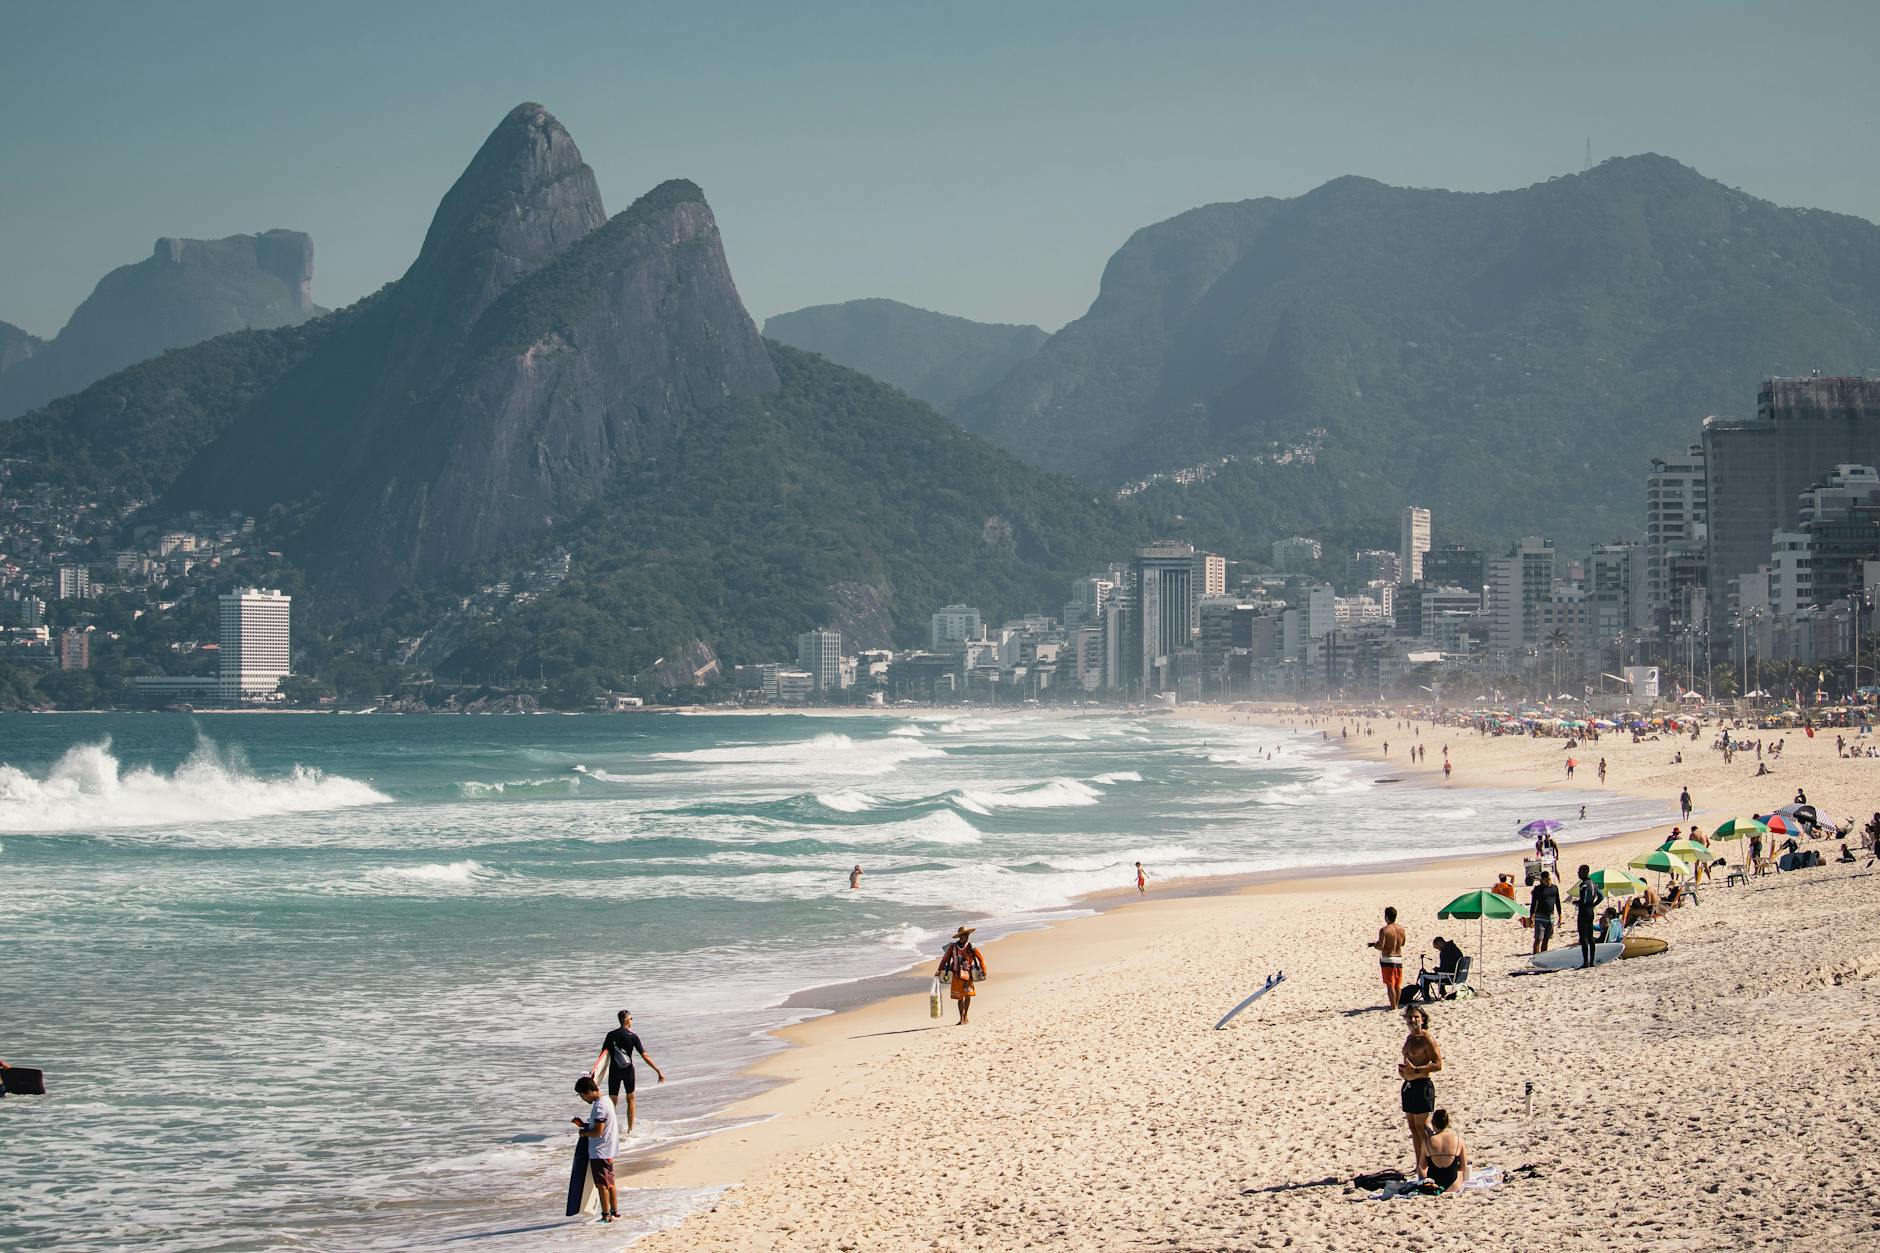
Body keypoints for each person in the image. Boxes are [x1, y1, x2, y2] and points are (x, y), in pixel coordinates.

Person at [592, 1010, 665, 1134]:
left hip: (614, 1071)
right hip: (628, 1071)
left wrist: (595, 1073)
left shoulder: (610, 1035)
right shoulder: (632, 1036)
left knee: (612, 1101)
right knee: (630, 1099)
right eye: (631, 1018)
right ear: (627, 1020)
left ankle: (606, 1129)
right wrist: (658, 1070)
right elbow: (645, 1056)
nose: (632, 1021)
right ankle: (630, 1130)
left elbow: (602, 1057)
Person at [1398, 1005, 1443, 1172]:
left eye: (1416, 1017)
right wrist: (1405, 1072)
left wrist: (1417, 1071)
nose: (1413, 1020)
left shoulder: (1427, 1039)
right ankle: (1420, 1163)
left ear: (1423, 1019)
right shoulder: (1409, 1038)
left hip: (1422, 1085)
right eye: (1410, 1017)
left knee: (1421, 1127)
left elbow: (1438, 1065)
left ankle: (1432, 1161)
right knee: (1412, 1126)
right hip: (1409, 1085)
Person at [571, 1074, 620, 1222]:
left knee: (601, 1185)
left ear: (588, 1092)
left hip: (600, 1151)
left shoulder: (599, 1106)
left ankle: (606, 1216)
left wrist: (584, 1132)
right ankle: (614, 1211)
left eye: (582, 1096)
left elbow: (598, 1132)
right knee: (610, 1183)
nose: (583, 1099)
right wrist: (585, 1125)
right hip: (608, 1148)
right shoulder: (607, 1101)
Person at [936, 926, 987, 1025]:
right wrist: (939, 970)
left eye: (967, 935)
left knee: (968, 995)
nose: (967, 937)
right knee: (959, 997)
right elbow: (945, 959)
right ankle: (961, 1017)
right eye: (964, 935)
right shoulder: (952, 947)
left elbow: (981, 958)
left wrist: (984, 969)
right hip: (956, 974)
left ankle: (966, 1015)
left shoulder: (971, 946)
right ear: (960, 936)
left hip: (968, 975)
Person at [1421, 1108, 1470, 1194]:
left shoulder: (1427, 1141)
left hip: (1434, 1183)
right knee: (1461, 1173)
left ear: (1433, 1123)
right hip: (1453, 1185)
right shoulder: (1458, 1139)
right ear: (1447, 1123)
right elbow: (1463, 1167)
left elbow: (1422, 1166)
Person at [1369, 906, 1408, 1009]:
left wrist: (1374, 945)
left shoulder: (1384, 930)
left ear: (1386, 917)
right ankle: (1397, 1004)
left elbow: (1381, 946)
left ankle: (1393, 1006)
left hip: (1388, 958)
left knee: (1390, 985)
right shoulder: (1401, 929)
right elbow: (1403, 943)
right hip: (1399, 958)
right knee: (1397, 985)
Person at [1571, 864, 1605, 969]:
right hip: (1590, 911)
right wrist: (1593, 905)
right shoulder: (1594, 884)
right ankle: (1592, 961)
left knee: (1583, 937)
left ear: (1584, 872)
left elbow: (1584, 900)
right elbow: (1601, 896)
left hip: (1584, 912)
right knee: (1590, 936)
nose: (1578, 873)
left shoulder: (1584, 885)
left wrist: (1575, 902)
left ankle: (1586, 962)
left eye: (1579, 871)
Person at [1529, 871, 1561, 955]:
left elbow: (1558, 902)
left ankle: (1543, 956)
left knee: (1546, 938)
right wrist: (1531, 915)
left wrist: (1560, 916)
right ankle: (1535, 957)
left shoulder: (1555, 888)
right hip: (1540, 916)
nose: (1549, 882)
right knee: (1538, 938)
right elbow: (1534, 902)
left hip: (1551, 916)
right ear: (1542, 880)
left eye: (1550, 879)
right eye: (1546, 880)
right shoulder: (1538, 889)